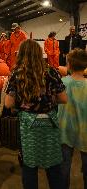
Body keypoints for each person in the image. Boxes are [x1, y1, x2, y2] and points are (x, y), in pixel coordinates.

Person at [4, 39, 67, 189]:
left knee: (29, 166)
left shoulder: (17, 74)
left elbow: (8, 103)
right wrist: (48, 102)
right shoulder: (52, 71)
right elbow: (63, 98)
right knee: (53, 165)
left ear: (21, 55)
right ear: (39, 54)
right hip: (49, 123)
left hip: (28, 125)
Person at [58, 49, 87, 189]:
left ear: (68, 64)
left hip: (65, 130)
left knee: (63, 168)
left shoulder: (62, 83)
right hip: (85, 131)